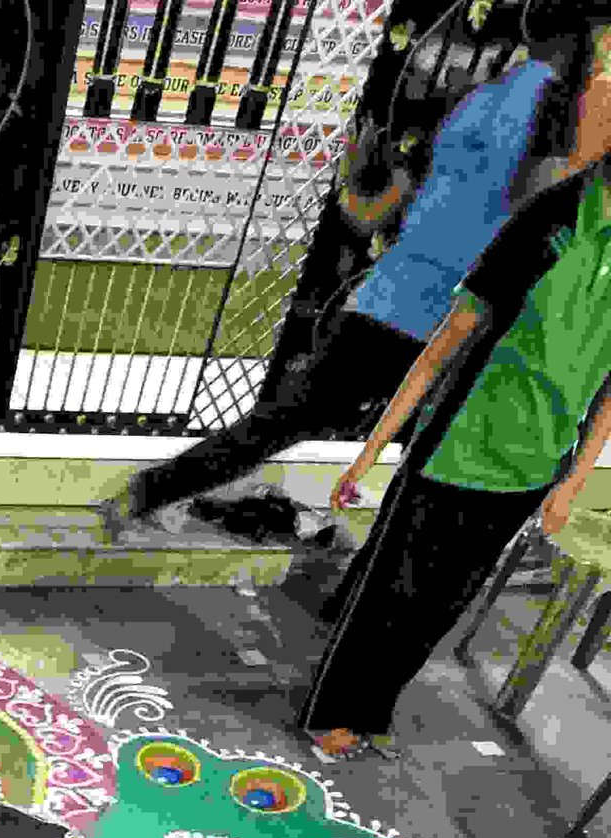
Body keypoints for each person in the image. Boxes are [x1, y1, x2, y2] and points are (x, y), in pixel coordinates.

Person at [94, 8, 602, 540]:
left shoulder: (474, 101)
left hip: (388, 294)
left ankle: (147, 493)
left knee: (286, 420)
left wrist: (359, 173)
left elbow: (370, 213)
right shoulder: (560, 114)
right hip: (452, 317)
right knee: (439, 457)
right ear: (584, 41)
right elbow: (532, 220)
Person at [299, 132, 611, 761]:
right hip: (457, 442)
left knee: (442, 605)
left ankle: (374, 710)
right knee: (392, 591)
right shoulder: (550, 219)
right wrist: (371, 451)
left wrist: (572, 481)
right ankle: (330, 712)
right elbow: (447, 341)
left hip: (532, 465)